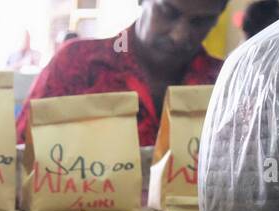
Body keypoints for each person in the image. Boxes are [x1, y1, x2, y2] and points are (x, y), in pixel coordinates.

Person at [17, 0, 227, 147]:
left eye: (200, 22)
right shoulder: (77, 64)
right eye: (168, 12)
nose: (179, 35)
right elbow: (21, 152)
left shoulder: (225, 84)